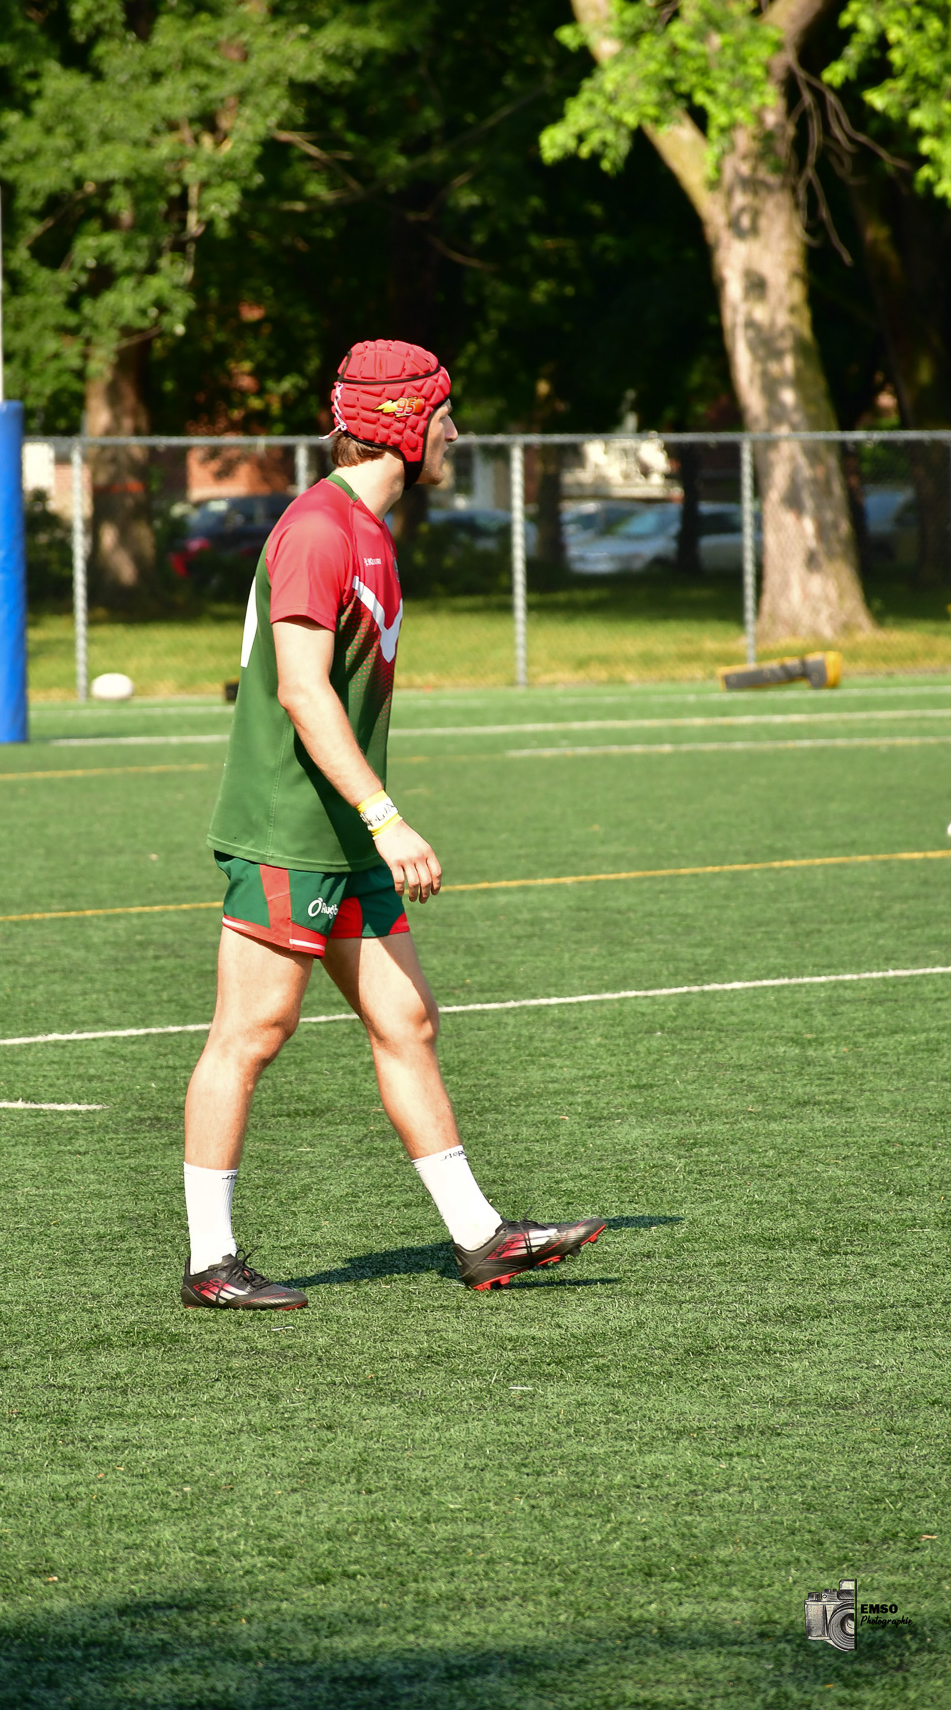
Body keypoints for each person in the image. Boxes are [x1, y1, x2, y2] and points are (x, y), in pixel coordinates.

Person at [180, 338, 605, 1310]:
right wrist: (386, 817)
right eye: (445, 414)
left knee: (407, 1021)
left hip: (345, 832)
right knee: (252, 1032)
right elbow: (300, 690)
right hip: (292, 829)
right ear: (405, 426)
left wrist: (369, 822)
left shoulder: (368, 530)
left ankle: (480, 1237)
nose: (456, 431)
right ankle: (211, 1262)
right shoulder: (320, 529)